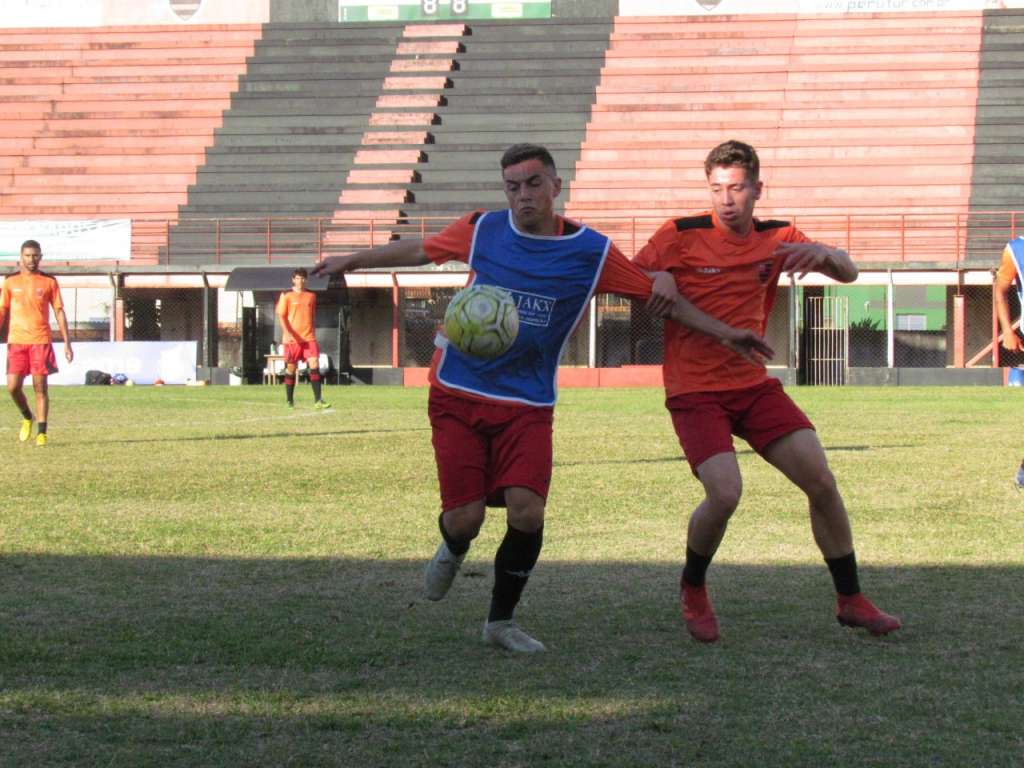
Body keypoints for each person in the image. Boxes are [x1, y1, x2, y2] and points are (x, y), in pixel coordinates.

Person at [312, 143, 772, 653]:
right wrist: (352, 259)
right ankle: (453, 544)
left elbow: (660, 298)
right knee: (465, 519)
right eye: (513, 187)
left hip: (528, 402)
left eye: (533, 184)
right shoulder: (483, 228)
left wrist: (727, 332)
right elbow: (421, 250)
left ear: (556, 187)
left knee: (527, 512)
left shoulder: (591, 252)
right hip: (459, 392)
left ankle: (500, 623)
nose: (523, 195)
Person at [634, 139, 901, 643]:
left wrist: (826, 254)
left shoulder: (778, 236)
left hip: (753, 385)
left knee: (821, 480)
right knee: (726, 492)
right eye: (717, 189)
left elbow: (848, 272)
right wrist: (657, 274)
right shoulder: (679, 234)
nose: (726, 200)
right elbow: (631, 273)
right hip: (695, 390)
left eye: (736, 188)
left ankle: (851, 599)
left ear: (757, 188)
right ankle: (693, 586)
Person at [0, 239, 73, 446]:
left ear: (40, 257)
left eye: (35, 255)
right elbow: (2, 310)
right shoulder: (10, 282)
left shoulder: (49, 281)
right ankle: (26, 416)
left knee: (40, 388)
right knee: (13, 387)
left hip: (40, 341)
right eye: (28, 255)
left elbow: (59, 311)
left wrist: (67, 342)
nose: (31, 259)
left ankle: (42, 432)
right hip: (16, 341)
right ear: (20, 258)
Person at [276, 267, 330, 410]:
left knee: (314, 364)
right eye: (298, 278)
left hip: (308, 338)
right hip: (292, 339)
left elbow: (312, 315)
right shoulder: (286, 295)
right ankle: (289, 400)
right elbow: (281, 315)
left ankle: (318, 400)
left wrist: (312, 331)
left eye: (303, 278)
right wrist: (287, 332)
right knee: (291, 369)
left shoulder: (311, 296)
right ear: (293, 280)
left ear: (306, 280)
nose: (300, 281)